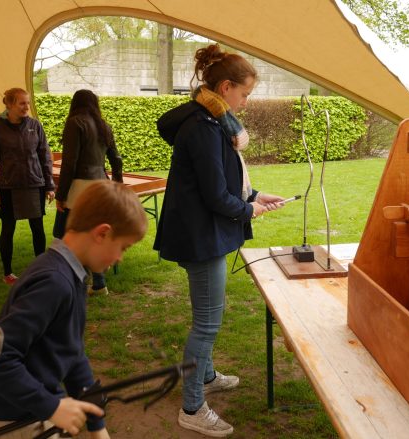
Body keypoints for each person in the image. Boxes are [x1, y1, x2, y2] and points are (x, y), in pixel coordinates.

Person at [153, 43, 284, 437]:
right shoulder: (203, 127)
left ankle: (206, 376)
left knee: (209, 314)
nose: (246, 102)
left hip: (204, 232)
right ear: (226, 87)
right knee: (207, 324)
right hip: (200, 236)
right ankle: (192, 407)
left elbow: (223, 179)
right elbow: (214, 196)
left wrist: (255, 195)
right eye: (245, 94)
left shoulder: (213, 121)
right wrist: (248, 210)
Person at [0, 180, 148, 439]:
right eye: (123, 247)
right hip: (6, 422)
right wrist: (52, 406)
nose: (120, 258)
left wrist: (97, 427)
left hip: (31, 412)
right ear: (102, 233)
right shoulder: (54, 282)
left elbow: (71, 351)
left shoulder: (72, 275)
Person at [53, 89, 123, 296]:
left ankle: (81, 283)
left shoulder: (75, 123)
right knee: (93, 235)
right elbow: (116, 159)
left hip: (80, 186)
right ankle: (98, 283)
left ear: (75, 103)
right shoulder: (103, 126)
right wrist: (117, 183)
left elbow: (69, 163)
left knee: (72, 235)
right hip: (100, 184)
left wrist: (61, 195)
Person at [0, 87, 55, 285]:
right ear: (9, 104)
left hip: (34, 184)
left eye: (28, 102)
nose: (27, 107)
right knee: (8, 229)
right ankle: (7, 273)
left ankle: (40, 270)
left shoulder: (35, 125)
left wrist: (49, 185)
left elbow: (45, 157)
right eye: (22, 103)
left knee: (37, 228)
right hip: (8, 187)